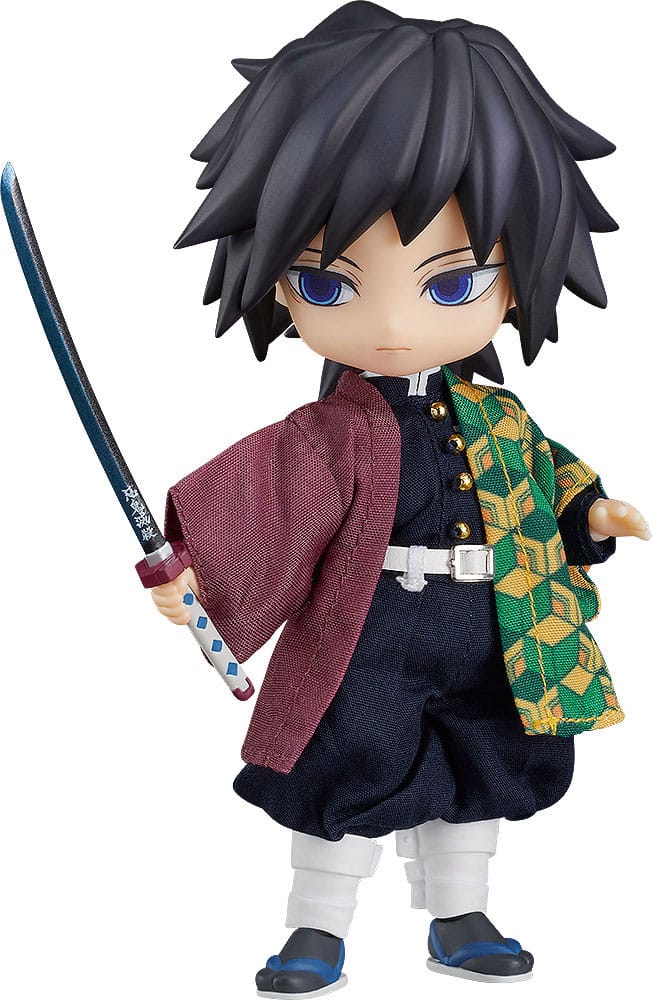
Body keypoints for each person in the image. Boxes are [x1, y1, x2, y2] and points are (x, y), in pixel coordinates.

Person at [151, 3, 649, 994]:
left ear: (517, 276)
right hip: (366, 632)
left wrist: (590, 514)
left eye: (450, 283)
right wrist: (194, 568)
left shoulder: (500, 417)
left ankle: (460, 914)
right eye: (328, 284)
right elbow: (261, 501)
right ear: (278, 284)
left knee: (482, 766)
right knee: (345, 765)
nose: (389, 324)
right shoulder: (326, 433)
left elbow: (545, 477)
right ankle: (316, 927)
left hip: (494, 627)